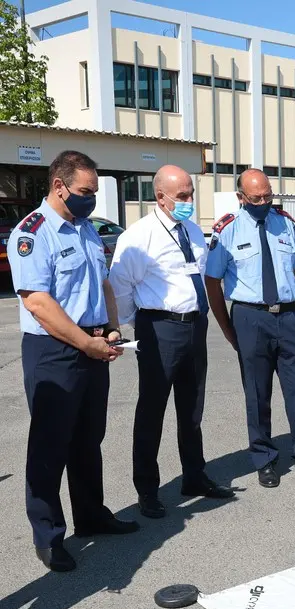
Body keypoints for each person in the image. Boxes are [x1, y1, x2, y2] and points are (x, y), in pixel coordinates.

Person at [8, 150, 139, 572]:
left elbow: (102, 283)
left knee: (87, 438)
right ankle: (48, 536)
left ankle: (91, 515)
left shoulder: (85, 229)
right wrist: (85, 342)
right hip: (54, 351)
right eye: (85, 191)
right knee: (50, 445)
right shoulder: (33, 233)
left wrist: (112, 328)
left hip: (93, 343)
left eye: (94, 191)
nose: (91, 199)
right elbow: (38, 302)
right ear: (59, 186)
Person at [108, 165, 235, 519]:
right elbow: (120, 287)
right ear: (160, 197)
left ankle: (194, 476)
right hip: (159, 327)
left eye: (191, 193)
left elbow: (201, 273)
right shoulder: (139, 236)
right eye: (182, 196)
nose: (189, 200)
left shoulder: (192, 230)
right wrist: (140, 324)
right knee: (152, 412)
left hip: (194, 326)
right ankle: (147, 490)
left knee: (192, 409)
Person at [205, 168, 295, 487]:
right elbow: (212, 281)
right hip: (251, 318)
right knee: (257, 393)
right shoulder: (228, 230)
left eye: (267, 196)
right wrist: (227, 328)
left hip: (290, 317)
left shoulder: (284, 222)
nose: (263, 202)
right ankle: (265, 459)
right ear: (241, 197)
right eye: (256, 198)